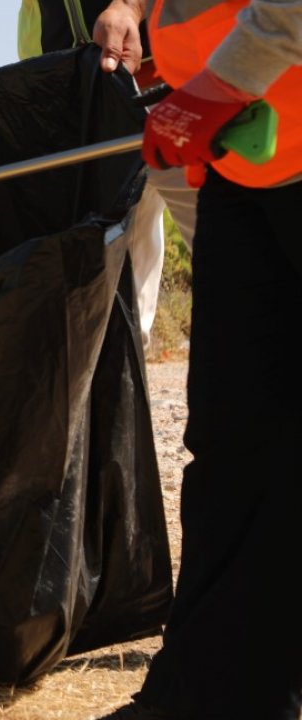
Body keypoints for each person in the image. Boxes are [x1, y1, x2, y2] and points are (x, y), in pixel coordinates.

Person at [102, 1, 302, 717]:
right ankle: (211, 697)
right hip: (247, 164)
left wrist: (219, 87)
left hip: (253, 108)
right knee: (234, 437)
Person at [0, 0, 197, 348]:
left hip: (192, 80)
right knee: (98, 324)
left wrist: (130, 6)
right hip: (66, 97)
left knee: (246, 270)